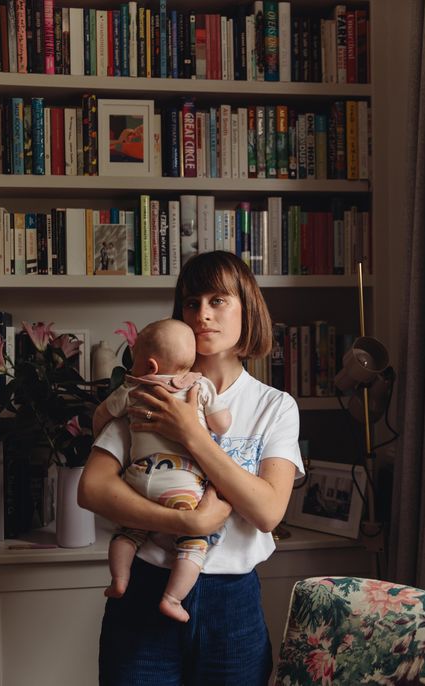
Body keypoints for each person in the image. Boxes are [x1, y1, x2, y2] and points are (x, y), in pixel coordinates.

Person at [78, 250, 303, 686]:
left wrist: (192, 435)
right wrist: (191, 519)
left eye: (218, 301)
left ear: (247, 309)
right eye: (191, 302)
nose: (203, 314)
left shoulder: (274, 407)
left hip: (233, 607)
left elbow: (267, 512)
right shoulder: (150, 387)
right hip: (144, 592)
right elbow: (92, 489)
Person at [94, 318, 232, 623]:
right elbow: (222, 423)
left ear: (151, 366)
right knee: (194, 542)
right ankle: (172, 598)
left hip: (138, 478)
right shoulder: (200, 385)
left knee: (128, 531)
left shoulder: (132, 388)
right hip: (179, 482)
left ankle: (118, 579)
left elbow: (101, 416)